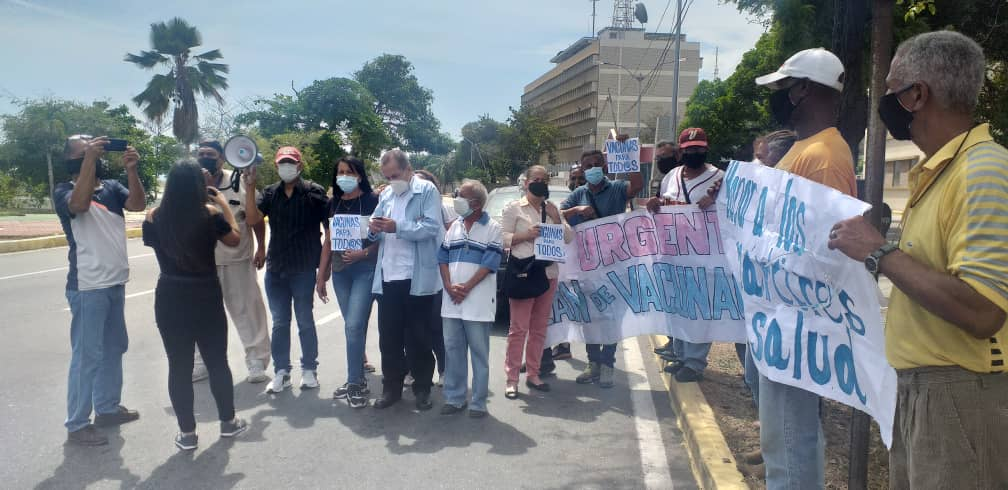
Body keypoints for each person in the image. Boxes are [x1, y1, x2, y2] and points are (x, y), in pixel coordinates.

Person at [828, 31, 1008, 489]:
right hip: (924, 389)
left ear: (917, 95)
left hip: (960, 392)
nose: (884, 101)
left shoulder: (982, 171)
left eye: (890, 90)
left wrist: (878, 252)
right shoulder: (942, 170)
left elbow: (983, 310)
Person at [714, 47, 855, 489]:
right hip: (776, 313)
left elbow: (826, 248)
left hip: (798, 321)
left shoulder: (825, 156)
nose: (776, 98)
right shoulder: (803, 151)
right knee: (782, 437)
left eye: (781, 89)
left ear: (804, 91)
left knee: (790, 438)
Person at [143, 160, 249, 451]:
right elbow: (234, 240)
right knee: (217, 362)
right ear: (198, 187)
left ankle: (187, 434)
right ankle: (228, 423)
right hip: (205, 294)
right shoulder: (210, 214)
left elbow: (156, 246)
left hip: (170, 296)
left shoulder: (153, 217)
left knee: (179, 366)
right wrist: (223, 203)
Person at [55, 135, 145, 446]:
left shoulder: (111, 188)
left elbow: (137, 204)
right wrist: (89, 162)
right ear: (74, 161)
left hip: (114, 283)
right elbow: (78, 207)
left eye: (97, 151)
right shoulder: (65, 190)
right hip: (87, 286)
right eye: (86, 151)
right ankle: (77, 424)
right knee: (87, 356)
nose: (96, 154)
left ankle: (106, 409)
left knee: (114, 348)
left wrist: (132, 170)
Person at [244, 146, 329, 394]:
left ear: (300, 165)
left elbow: (330, 227)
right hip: (276, 270)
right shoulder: (270, 193)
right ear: (276, 165)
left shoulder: (314, 192)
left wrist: (324, 270)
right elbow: (252, 219)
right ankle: (282, 371)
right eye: (282, 162)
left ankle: (309, 370)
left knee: (304, 321)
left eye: (291, 162)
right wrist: (250, 187)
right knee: (280, 322)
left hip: (303, 268)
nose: (286, 167)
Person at [561, 146, 644, 387]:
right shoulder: (579, 193)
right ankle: (593, 363)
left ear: (605, 166)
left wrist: (629, 158)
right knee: (590, 316)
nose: (591, 169)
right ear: (582, 168)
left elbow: (636, 185)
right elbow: (560, 214)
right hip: (587, 266)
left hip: (613, 264)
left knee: (611, 317)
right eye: (587, 166)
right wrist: (576, 210)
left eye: (596, 164)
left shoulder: (617, 188)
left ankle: (608, 364)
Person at [190, 140, 271, 384]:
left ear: (221, 159)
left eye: (210, 155)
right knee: (199, 315)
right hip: (199, 263)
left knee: (248, 311)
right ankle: (200, 363)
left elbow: (254, 219)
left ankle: (257, 361)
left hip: (235, 258)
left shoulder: (239, 181)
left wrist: (261, 247)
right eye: (201, 154)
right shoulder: (187, 182)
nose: (205, 158)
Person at [368, 149, 444, 410]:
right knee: (388, 339)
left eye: (396, 175)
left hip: (416, 277)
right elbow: (375, 226)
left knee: (418, 338)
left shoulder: (427, 191)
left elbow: (431, 227)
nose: (392, 180)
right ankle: (392, 389)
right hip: (388, 275)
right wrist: (374, 227)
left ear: (408, 169)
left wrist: (397, 227)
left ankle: (422, 389)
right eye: (387, 176)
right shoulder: (387, 194)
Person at [645, 128, 723, 383]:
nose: (694, 153)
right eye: (689, 149)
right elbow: (662, 203)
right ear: (681, 151)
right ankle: (680, 354)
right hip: (672, 254)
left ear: (707, 149)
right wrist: (653, 205)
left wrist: (716, 203)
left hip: (703, 257)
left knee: (699, 310)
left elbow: (734, 215)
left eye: (699, 148)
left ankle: (694, 363)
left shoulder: (719, 178)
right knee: (677, 308)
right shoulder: (671, 176)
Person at [501, 166, 573, 398]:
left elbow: (569, 237)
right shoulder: (513, 208)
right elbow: (501, 238)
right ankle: (512, 379)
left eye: (544, 180)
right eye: (536, 179)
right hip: (523, 273)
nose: (540, 183)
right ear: (526, 182)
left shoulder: (552, 209)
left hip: (548, 274)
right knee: (518, 329)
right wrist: (526, 235)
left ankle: (533, 373)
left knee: (539, 329)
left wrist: (555, 218)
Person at [316, 157, 380, 409]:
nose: (344, 176)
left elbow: (383, 238)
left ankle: (355, 381)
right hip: (341, 272)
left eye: (349, 172)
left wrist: (363, 253)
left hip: (365, 269)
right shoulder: (334, 203)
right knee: (353, 326)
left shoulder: (374, 201)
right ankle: (357, 377)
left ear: (360, 175)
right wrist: (322, 275)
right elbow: (328, 241)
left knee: (353, 326)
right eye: (340, 172)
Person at [438, 179, 503, 417]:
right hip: (452, 302)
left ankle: (478, 402)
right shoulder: (454, 226)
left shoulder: (493, 228)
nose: (456, 198)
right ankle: (455, 398)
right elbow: (442, 257)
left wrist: (465, 287)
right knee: (453, 350)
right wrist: (448, 286)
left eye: (460, 195)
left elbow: (490, 263)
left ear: (474, 202)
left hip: (477, 302)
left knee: (479, 352)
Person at [411, 168, 450, 387]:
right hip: (412, 276)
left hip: (436, 274)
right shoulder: (405, 206)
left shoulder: (442, 208)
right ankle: (413, 370)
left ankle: (444, 369)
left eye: (424, 184)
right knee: (413, 327)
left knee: (435, 326)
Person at [648, 141, 682, 363]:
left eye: (665, 156)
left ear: (677, 155)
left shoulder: (685, 177)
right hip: (667, 250)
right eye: (658, 157)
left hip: (688, 252)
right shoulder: (667, 180)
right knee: (670, 302)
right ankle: (674, 343)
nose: (661, 161)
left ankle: (686, 353)